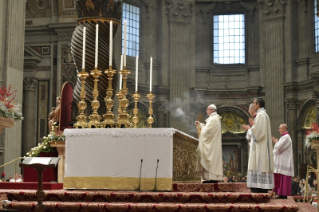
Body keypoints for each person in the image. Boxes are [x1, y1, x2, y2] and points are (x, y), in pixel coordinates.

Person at [247, 97, 274, 193]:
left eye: (254, 103)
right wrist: (253, 126)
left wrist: (253, 126)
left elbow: (260, 133)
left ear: (258, 104)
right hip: (260, 145)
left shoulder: (261, 115)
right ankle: (257, 186)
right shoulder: (263, 115)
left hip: (261, 146)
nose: (253, 105)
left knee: (259, 165)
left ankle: (259, 186)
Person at [195, 104, 223, 183]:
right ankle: (210, 178)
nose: (206, 111)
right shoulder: (213, 119)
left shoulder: (214, 119)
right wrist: (200, 125)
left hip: (212, 144)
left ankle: (212, 177)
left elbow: (207, 131)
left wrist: (201, 126)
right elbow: (207, 128)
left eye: (207, 109)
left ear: (212, 110)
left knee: (210, 160)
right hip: (212, 143)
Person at [272, 124, 294, 199]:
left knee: (283, 177)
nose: (278, 130)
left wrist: (276, 142)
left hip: (284, 161)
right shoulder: (284, 137)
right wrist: (277, 143)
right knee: (280, 177)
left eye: (280, 128)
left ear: (284, 129)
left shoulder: (286, 137)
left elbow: (279, 148)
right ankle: (280, 193)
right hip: (282, 160)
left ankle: (283, 194)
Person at [242, 103, 257, 192]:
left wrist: (249, 129)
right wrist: (250, 129)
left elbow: (258, 133)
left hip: (257, 147)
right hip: (254, 146)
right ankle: (254, 185)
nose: (248, 111)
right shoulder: (257, 118)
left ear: (253, 108)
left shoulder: (259, 117)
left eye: (249, 109)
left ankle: (255, 186)